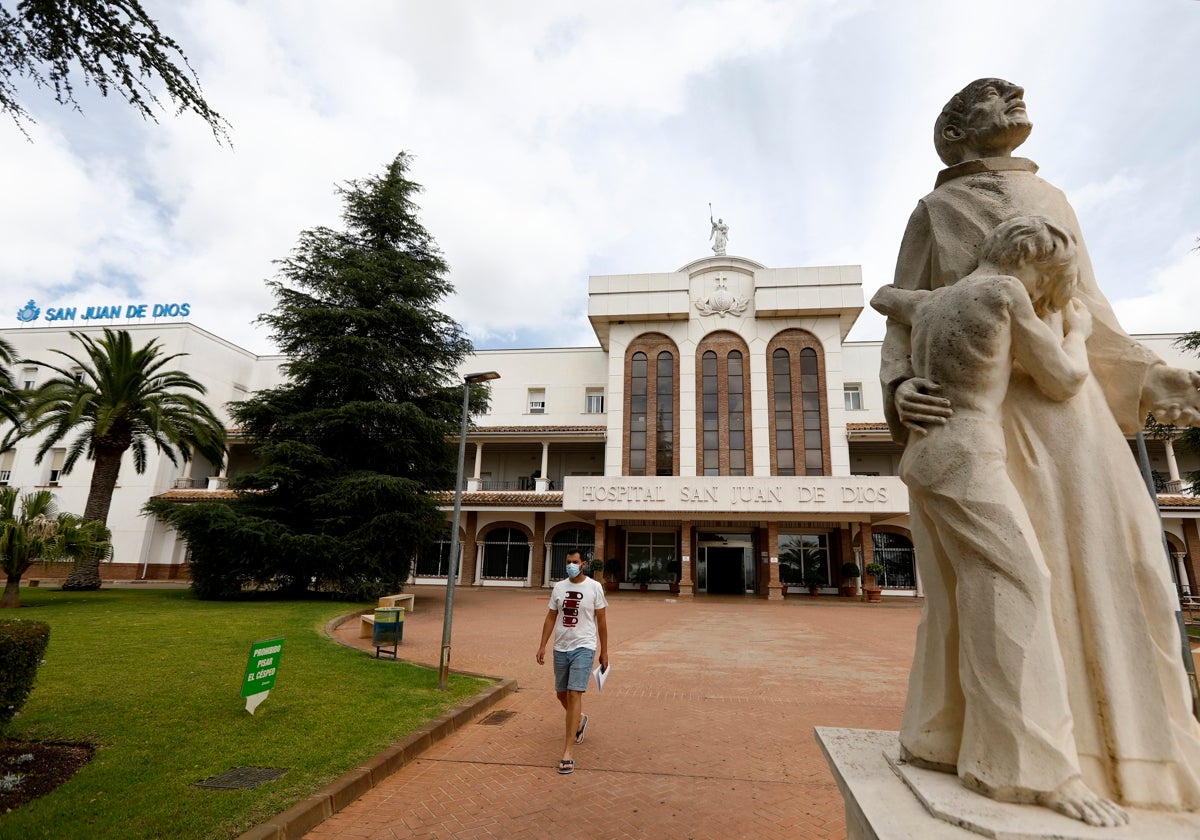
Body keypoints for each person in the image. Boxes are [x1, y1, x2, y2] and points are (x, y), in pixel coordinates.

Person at [884, 78, 1200, 817]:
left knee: (1120, 571)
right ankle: (1010, 749)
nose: (1016, 97)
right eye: (991, 97)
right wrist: (898, 385)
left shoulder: (1053, 199)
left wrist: (1150, 375)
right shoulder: (936, 210)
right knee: (1010, 581)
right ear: (954, 133)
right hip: (992, 418)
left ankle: (1134, 756)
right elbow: (906, 315)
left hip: (1073, 414)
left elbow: (1089, 302)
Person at [873, 216, 1131, 825]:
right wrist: (1077, 329)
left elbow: (888, 297)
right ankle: (1030, 767)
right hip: (967, 454)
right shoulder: (1007, 292)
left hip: (927, 458)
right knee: (1018, 587)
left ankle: (943, 737)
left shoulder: (935, 300)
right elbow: (1065, 378)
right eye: (1052, 281)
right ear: (1033, 262)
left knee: (971, 594)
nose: (1049, 295)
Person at [536, 549, 608, 775]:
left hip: (584, 647)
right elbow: (550, 617)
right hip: (561, 647)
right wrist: (542, 645)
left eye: (575, 562)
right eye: (568, 562)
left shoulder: (594, 587)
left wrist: (604, 652)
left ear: (583, 564)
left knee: (575, 693)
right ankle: (581, 718)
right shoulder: (559, 587)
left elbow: (602, 622)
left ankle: (568, 752)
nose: (571, 566)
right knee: (561, 694)